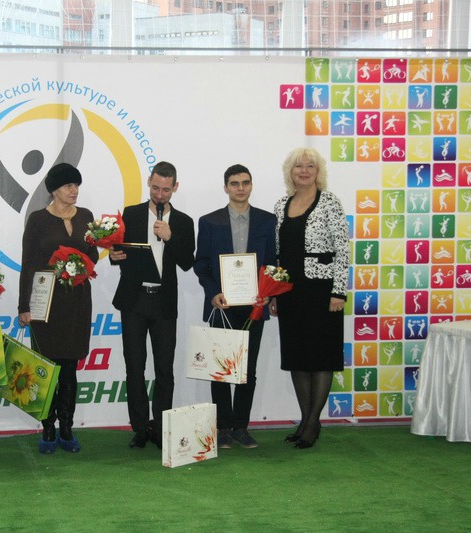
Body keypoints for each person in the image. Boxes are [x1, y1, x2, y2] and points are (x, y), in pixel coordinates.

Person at [269, 147, 350, 449]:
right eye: (298, 166)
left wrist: (338, 292)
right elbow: (278, 254)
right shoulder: (281, 205)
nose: (304, 171)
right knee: (298, 357)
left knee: (321, 357)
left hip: (322, 292)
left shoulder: (330, 202)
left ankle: (312, 424)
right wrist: (274, 292)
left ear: (318, 171)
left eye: (310, 166)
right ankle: (306, 420)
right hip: (290, 292)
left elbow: (342, 249)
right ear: (289, 171)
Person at [110, 161, 195, 449]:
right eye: (156, 188)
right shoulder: (131, 214)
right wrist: (114, 256)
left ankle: (161, 427)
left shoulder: (183, 221)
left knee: (164, 369)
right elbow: (119, 251)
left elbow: (188, 262)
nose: (160, 195)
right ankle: (139, 427)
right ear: (149, 182)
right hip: (134, 300)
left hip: (164, 302)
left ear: (175, 187)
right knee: (134, 367)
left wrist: (170, 237)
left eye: (166, 190)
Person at [193, 164, 276, 449]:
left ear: (251, 185)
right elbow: (201, 264)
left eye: (245, 183)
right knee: (220, 371)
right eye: (234, 183)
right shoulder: (209, 221)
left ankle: (241, 427)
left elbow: (273, 263)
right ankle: (223, 428)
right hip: (222, 306)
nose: (240, 188)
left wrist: (269, 293)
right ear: (225, 187)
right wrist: (213, 292)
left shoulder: (267, 221)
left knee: (247, 371)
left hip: (254, 307)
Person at [18, 163, 98, 454]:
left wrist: (81, 264)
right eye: (68, 186)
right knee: (47, 367)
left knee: (69, 367)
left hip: (77, 300)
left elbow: (92, 255)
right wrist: (24, 305)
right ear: (53, 190)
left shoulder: (86, 216)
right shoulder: (38, 219)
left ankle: (67, 425)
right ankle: (48, 426)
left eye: (76, 185)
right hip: (45, 302)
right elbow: (28, 263)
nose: (74, 191)